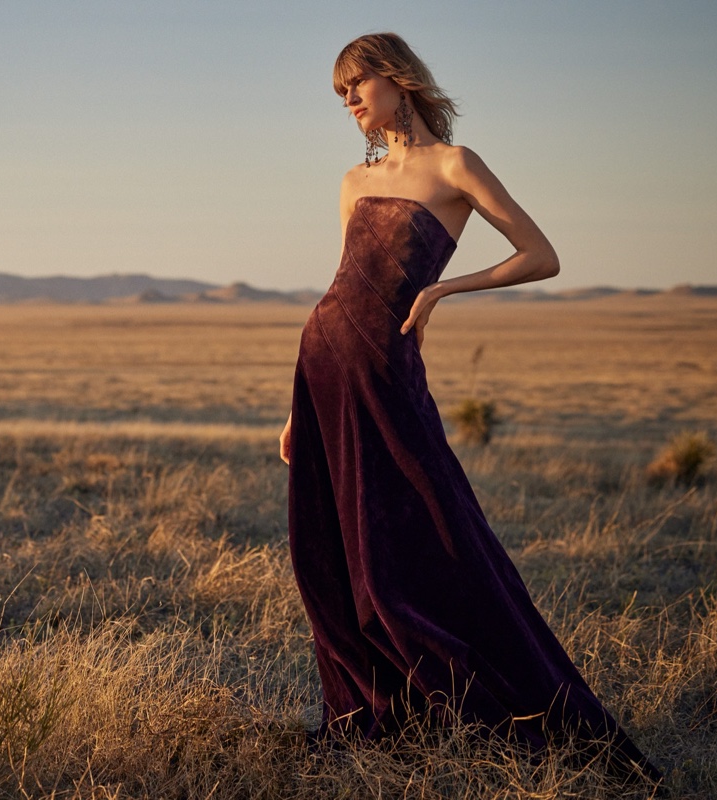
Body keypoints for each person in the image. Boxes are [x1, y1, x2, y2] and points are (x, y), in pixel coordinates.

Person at [279, 32, 662, 787]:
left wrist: (445, 288)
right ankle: (379, 711)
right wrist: (298, 408)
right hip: (324, 359)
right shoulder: (354, 182)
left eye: (356, 85)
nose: (350, 102)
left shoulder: (455, 166)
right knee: (332, 548)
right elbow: (342, 281)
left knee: (428, 533)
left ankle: (507, 702)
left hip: (387, 366)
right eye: (340, 94)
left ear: (396, 79)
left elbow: (540, 254)